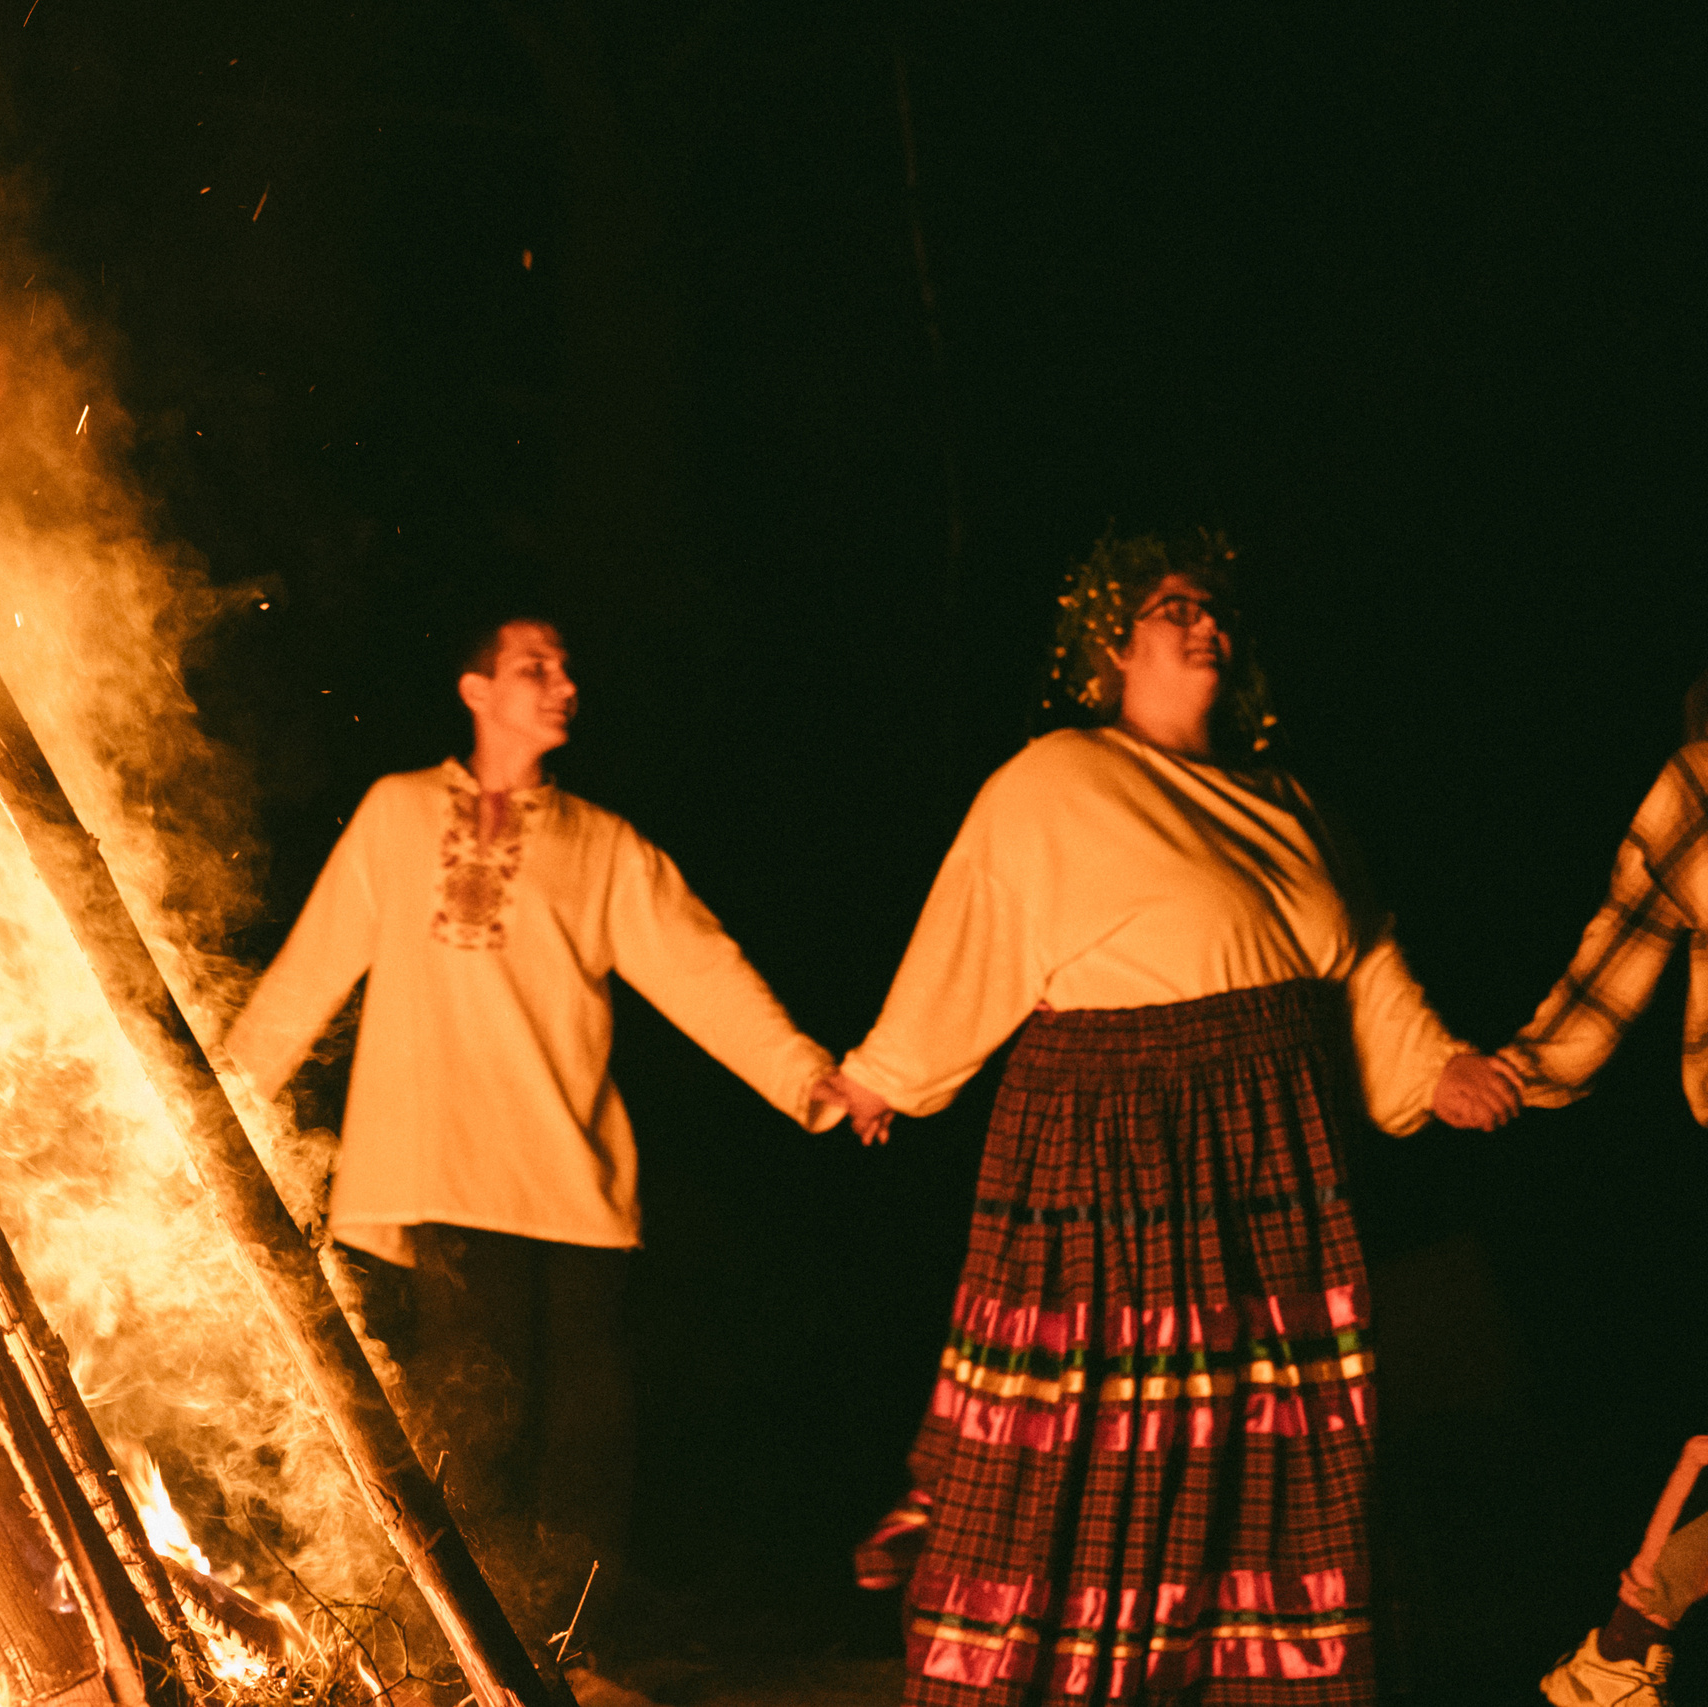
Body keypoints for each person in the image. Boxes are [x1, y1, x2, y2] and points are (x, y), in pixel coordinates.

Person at [835, 531, 1521, 1705]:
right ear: (1112, 642)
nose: (1205, 626)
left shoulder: (1285, 793)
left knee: (1264, 1433)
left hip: (1275, 1148)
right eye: (1171, 608)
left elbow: (1362, 969)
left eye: (1213, 611)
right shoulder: (1056, 779)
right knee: (1109, 1436)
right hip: (1117, 1143)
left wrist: (1437, 1071)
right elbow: (971, 938)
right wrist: (882, 1075)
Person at [222, 613, 856, 1684]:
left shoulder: (600, 845)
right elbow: (309, 967)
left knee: (584, 1442)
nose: (563, 683)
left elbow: (700, 968)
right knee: (469, 1431)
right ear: (476, 690)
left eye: (565, 668)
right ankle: (449, 1662)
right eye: (535, 668)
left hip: (568, 1180)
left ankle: (564, 1659)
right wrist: (220, 1105)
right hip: (440, 1174)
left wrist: (803, 1075)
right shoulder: (398, 814)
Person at [1497, 687, 1708, 1707]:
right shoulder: (1699, 786)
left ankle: (1626, 1638)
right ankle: (1628, 1636)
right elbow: (1615, 963)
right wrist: (1497, 1079)